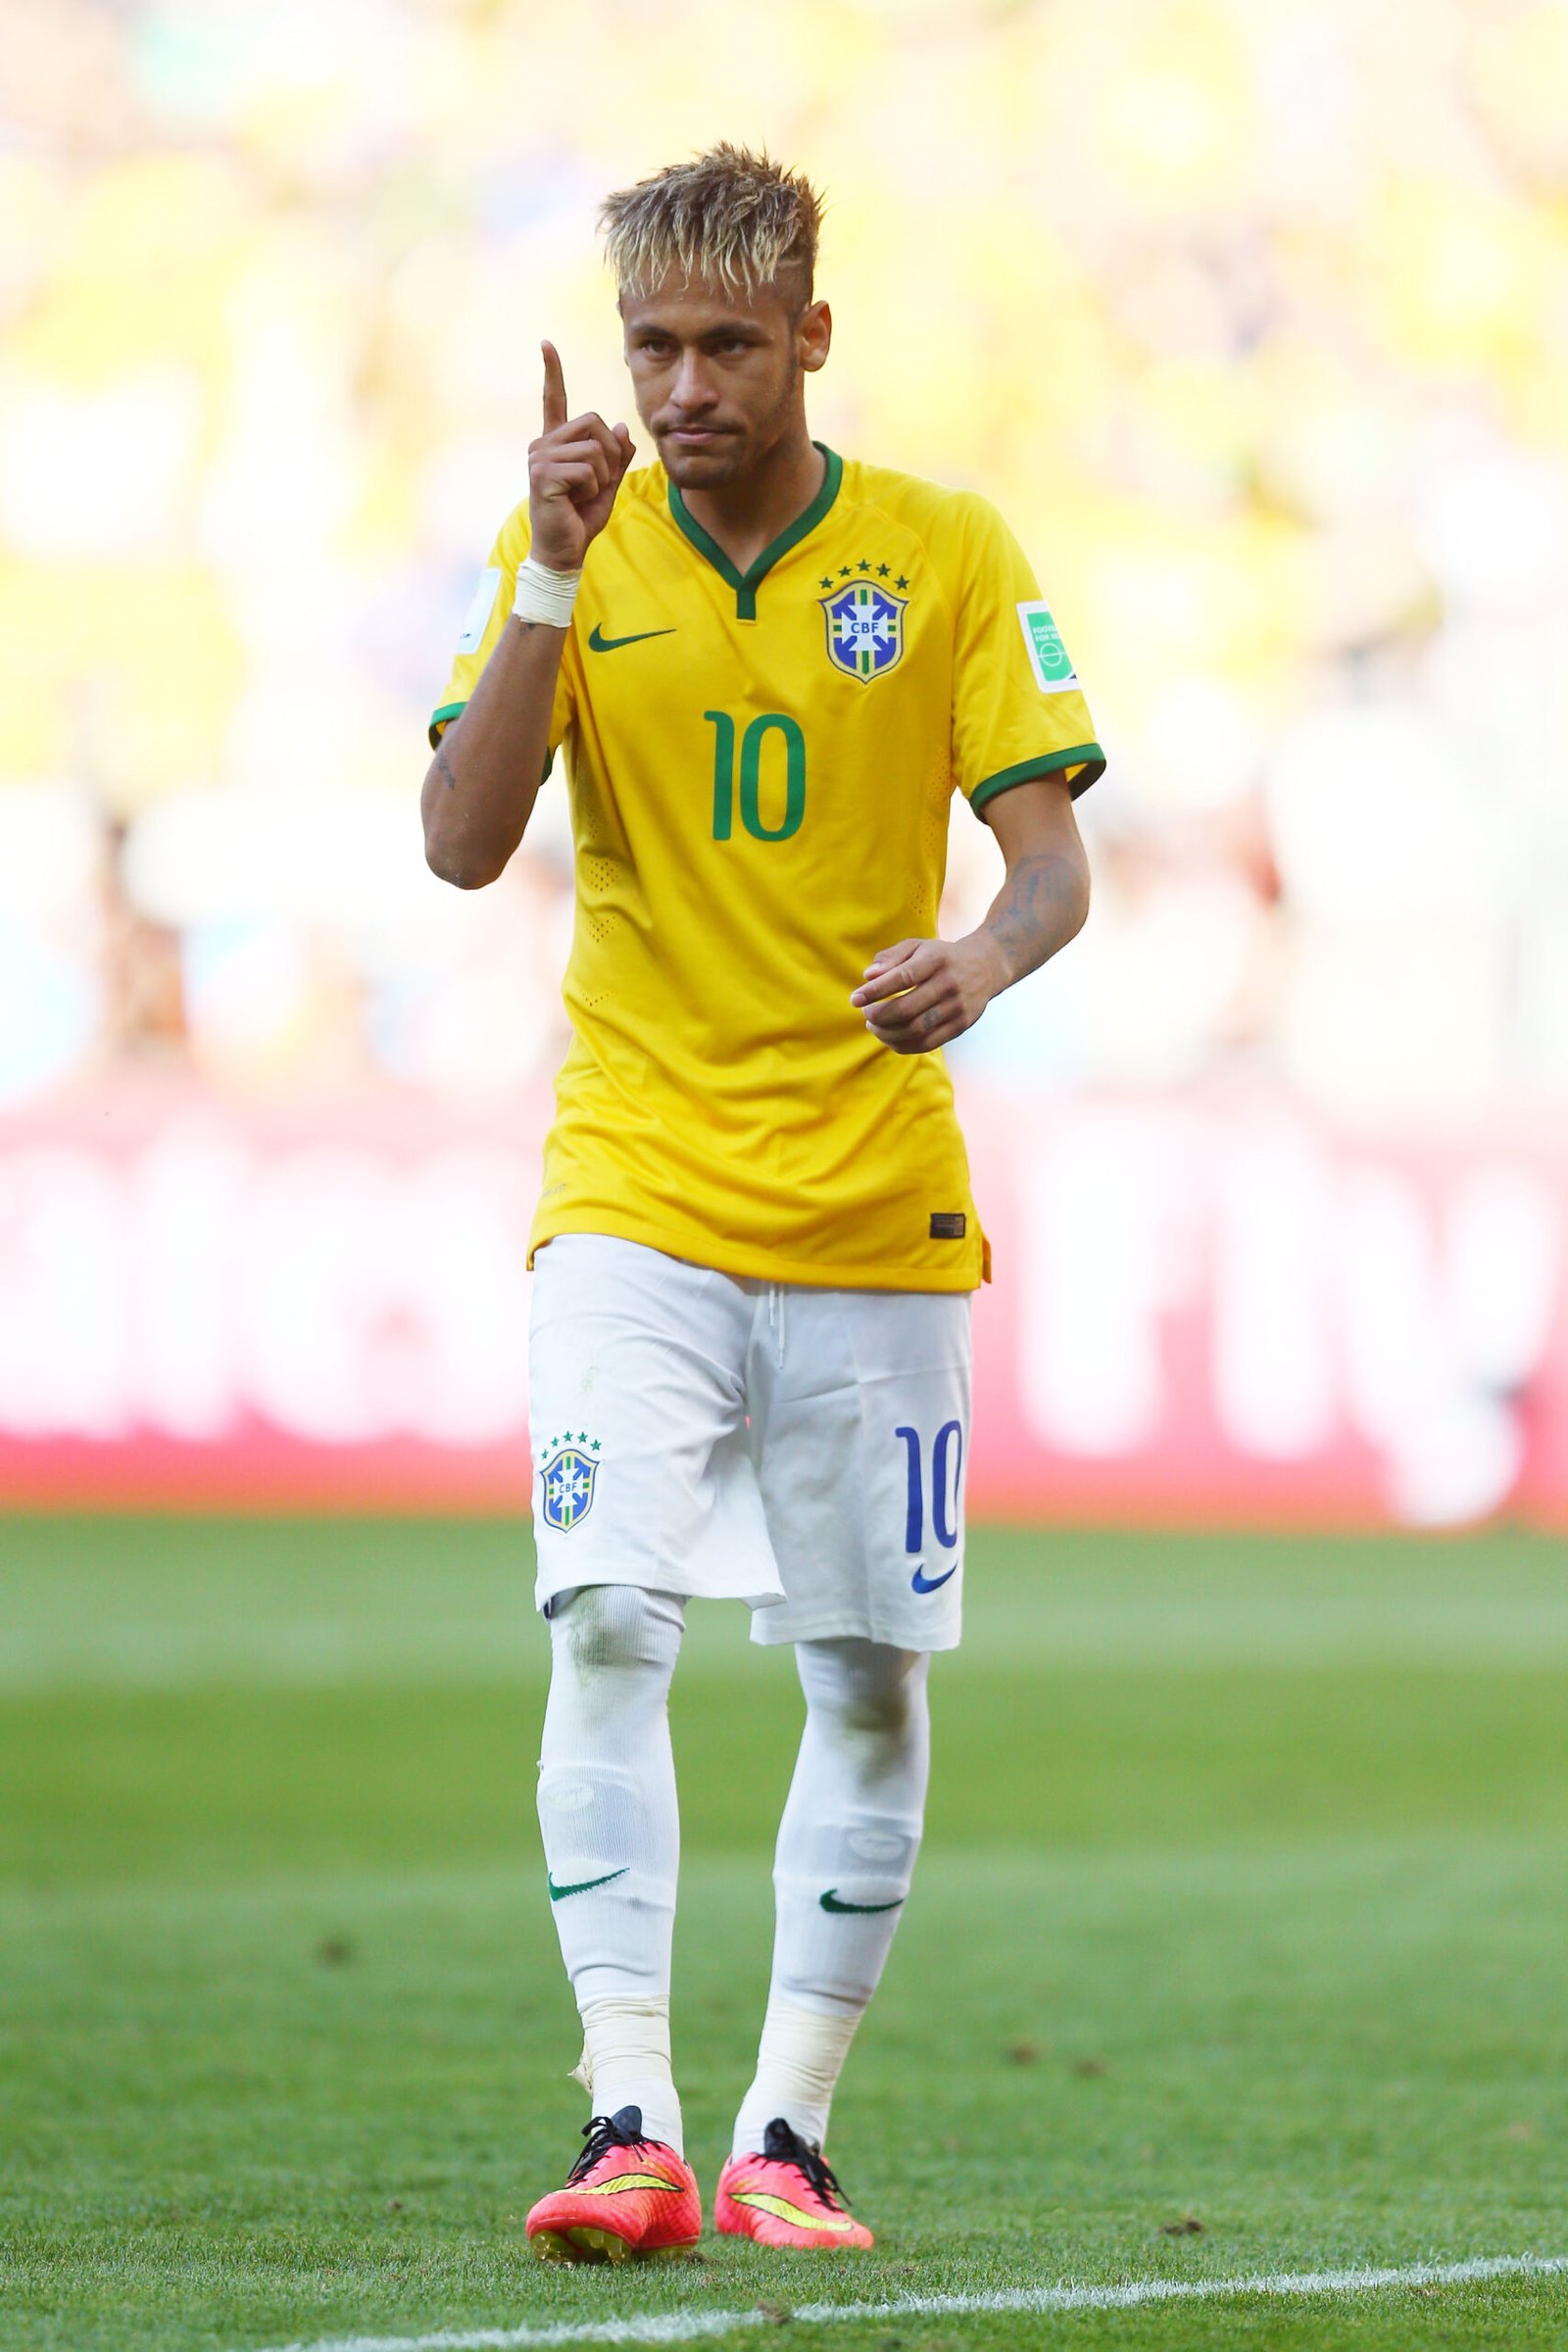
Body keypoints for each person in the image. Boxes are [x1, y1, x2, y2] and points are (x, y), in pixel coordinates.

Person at [420, 144, 1102, 2267]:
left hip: (871, 1203)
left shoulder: (945, 549)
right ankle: (626, 2109)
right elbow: (458, 842)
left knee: (866, 1680)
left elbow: (1052, 859)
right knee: (608, 1616)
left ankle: (783, 2133)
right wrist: (543, 573)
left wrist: (976, 963)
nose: (685, 382)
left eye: (726, 342)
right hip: (630, 1177)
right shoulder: (572, 552)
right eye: (652, 346)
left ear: (810, 332)